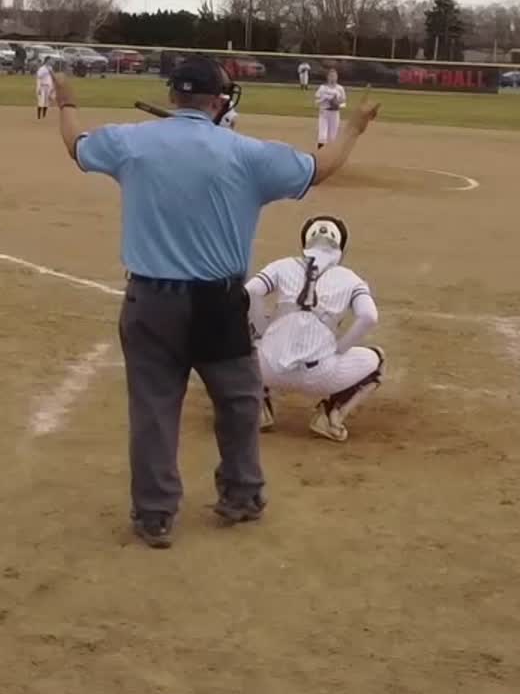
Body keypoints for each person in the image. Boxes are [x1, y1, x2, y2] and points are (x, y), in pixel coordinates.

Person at [55, 57, 378, 549]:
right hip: (218, 302)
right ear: (219, 101)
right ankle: (242, 494)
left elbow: (76, 146)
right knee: (240, 400)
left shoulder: (131, 142)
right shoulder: (246, 153)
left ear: (173, 96)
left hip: (150, 299)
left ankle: (155, 513)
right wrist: (353, 126)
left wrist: (66, 102)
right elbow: (319, 168)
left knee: (154, 408)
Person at [245, 216, 384, 442]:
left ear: (305, 243)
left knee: (238, 341)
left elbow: (250, 291)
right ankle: (330, 417)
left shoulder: (282, 266)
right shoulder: (351, 279)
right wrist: (340, 348)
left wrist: (261, 330)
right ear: (340, 247)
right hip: (321, 376)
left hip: (268, 369)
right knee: (377, 360)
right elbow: (369, 316)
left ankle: (256, 409)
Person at [314, 69, 346, 149]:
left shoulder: (340, 88)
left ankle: (329, 154)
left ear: (337, 77)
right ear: (327, 77)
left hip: (335, 114)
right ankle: (319, 152)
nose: (333, 78)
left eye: (334, 76)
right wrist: (324, 99)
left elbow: (343, 102)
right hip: (324, 113)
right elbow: (316, 101)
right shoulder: (322, 88)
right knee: (322, 135)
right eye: (331, 76)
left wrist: (338, 105)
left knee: (333, 137)